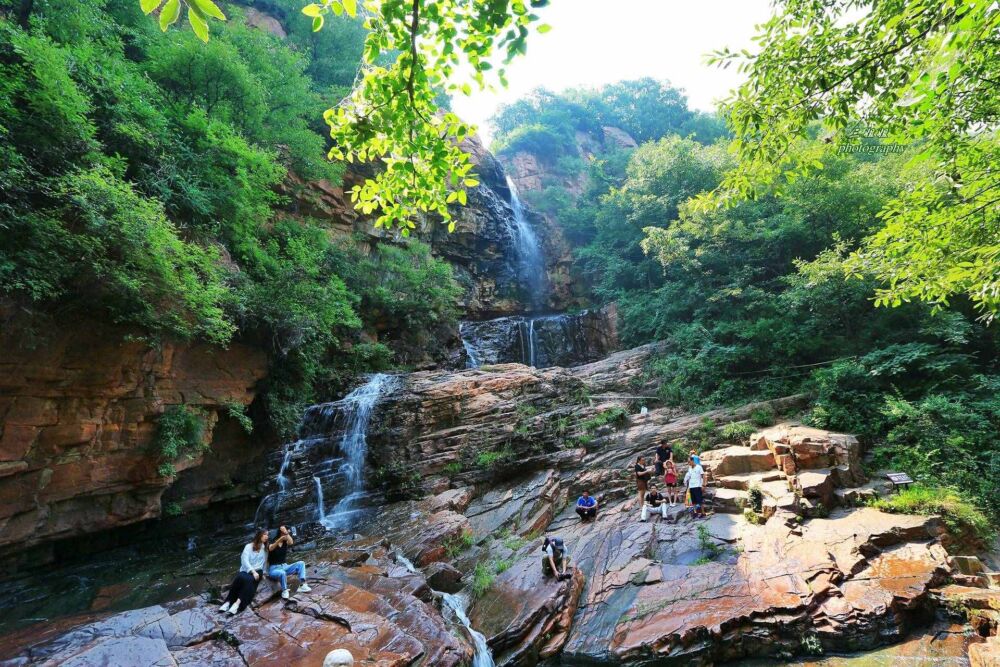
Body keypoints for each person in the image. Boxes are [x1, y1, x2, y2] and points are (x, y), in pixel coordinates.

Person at [219, 529, 269, 615]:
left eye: (267, 535)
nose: (267, 537)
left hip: (258, 571)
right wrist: (252, 571)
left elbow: (265, 561)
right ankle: (227, 602)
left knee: (249, 581)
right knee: (239, 578)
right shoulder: (248, 547)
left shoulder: (265, 548)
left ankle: (236, 604)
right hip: (247, 570)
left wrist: (264, 572)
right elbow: (244, 561)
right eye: (265, 535)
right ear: (259, 535)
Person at [268, 525, 311, 599]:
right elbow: (271, 548)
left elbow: (291, 542)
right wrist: (280, 539)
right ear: (281, 533)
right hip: (274, 569)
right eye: (285, 532)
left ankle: (302, 585)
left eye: (287, 533)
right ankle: (284, 590)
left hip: (285, 566)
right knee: (282, 573)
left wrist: (286, 533)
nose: (287, 534)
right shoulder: (272, 541)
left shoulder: (285, 542)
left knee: (301, 563)